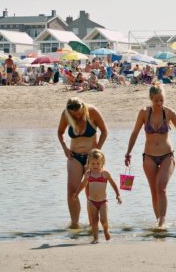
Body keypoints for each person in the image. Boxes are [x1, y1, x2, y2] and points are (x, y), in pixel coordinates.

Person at [125, 83, 176, 228]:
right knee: (154, 190)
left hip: (167, 155)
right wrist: (128, 152)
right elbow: (134, 133)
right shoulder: (143, 113)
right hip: (149, 156)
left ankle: (162, 221)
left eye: (161, 100)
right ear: (151, 99)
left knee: (161, 188)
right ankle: (158, 220)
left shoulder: (169, 113)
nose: (159, 103)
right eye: (156, 101)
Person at [57, 98, 108, 229]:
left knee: (91, 193)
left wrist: (98, 150)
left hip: (91, 159)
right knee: (72, 192)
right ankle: (75, 224)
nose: (77, 116)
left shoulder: (92, 112)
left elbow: (104, 131)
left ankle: (93, 224)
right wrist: (65, 148)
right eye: (74, 114)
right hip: (74, 157)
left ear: (83, 108)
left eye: (79, 113)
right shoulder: (66, 114)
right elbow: (60, 132)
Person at [73, 149, 122, 244]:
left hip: (103, 201)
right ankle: (95, 238)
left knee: (103, 220)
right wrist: (76, 193)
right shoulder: (88, 174)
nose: (95, 166)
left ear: (102, 163)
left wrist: (118, 195)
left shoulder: (105, 173)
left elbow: (113, 184)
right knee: (94, 221)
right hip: (91, 201)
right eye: (93, 163)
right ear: (89, 163)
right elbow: (82, 184)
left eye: (98, 163)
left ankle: (106, 230)